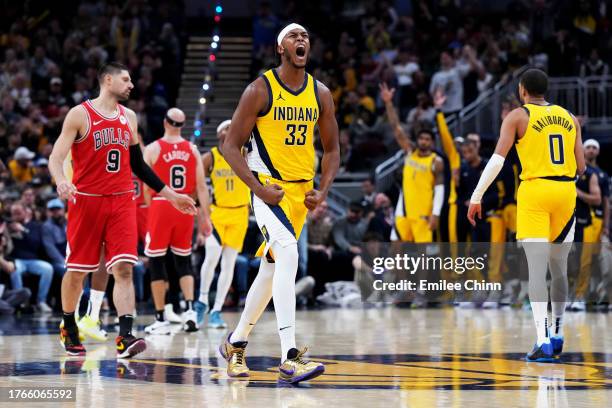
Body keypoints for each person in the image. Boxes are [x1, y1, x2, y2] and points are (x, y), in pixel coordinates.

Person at [48, 62, 197, 357]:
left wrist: (170, 194)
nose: (131, 85)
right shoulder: (80, 114)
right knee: (77, 272)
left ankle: (125, 337)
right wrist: (61, 180)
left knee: (124, 268)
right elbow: (55, 156)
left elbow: (138, 164)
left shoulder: (129, 117)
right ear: (107, 79)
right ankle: (68, 325)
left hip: (121, 200)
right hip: (87, 200)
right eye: (125, 80)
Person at [219, 23, 339, 383]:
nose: (301, 39)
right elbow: (230, 146)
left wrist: (325, 189)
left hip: (300, 194)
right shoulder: (260, 89)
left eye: (305, 35)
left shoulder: (320, 93)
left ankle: (236, 344)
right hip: (270, 189)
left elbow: (332, 149)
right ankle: (289, 355)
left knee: (271, 273)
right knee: (288, 255)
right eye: (293, 36)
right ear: (280, 48)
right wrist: (257, 186)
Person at [467, 68, 585, 362]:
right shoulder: (570, 118)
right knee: (559, 268)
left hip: (535, 191)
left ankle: (542, 341)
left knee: (536, 269)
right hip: (566, 191)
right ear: (546, 90)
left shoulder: (518, 116)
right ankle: (557, 333)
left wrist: (477, 195)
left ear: (522, 90)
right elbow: (581, 167)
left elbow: (497, 160)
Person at [143, 108, 211, 335]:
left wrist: (149, 208)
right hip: (185, 206)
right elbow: (202, 187)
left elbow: (145, 187)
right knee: (184, 261)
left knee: (157, 262)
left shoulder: (153, 148)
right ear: (182, 125)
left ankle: (161, 318)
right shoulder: (192, 150)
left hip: (162, 205)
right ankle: (190, 311)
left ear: (165, 122)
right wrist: (205, 218)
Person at [196, 119, 250, 329]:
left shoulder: (246, 154)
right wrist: (202, 215)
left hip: (240, 214)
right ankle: (201, 301)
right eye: (226, 127)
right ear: (219, 134)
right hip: (218, 214)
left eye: (232, 127)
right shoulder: (211, 156)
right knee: (211, 257)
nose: (230, 130)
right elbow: (197, 184)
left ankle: (217, 310)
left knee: (229, 265)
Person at [380, 83, 445, 243]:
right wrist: (388, 103)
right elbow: (396, 127)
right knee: (396, 248)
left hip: (423, 212)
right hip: (403, 210)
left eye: (427, 139)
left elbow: (439, 189)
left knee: (422, 255)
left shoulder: (436, 161)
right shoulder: (410, 152)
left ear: (432, 142)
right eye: (421, 138)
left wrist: (435, 214)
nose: (423, 142)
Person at [8, 202, 54, 313]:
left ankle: (41, 301)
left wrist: (23, 230)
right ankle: (21, 301)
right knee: (15, 269)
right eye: (13, 214)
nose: (16, 216)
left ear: (25, 212)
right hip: (16, 259)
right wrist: (9, 231)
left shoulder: (35, 226)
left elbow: (36, 243)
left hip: (32, 259)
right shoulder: (8, 226)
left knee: (48, 268)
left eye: (18, 213)